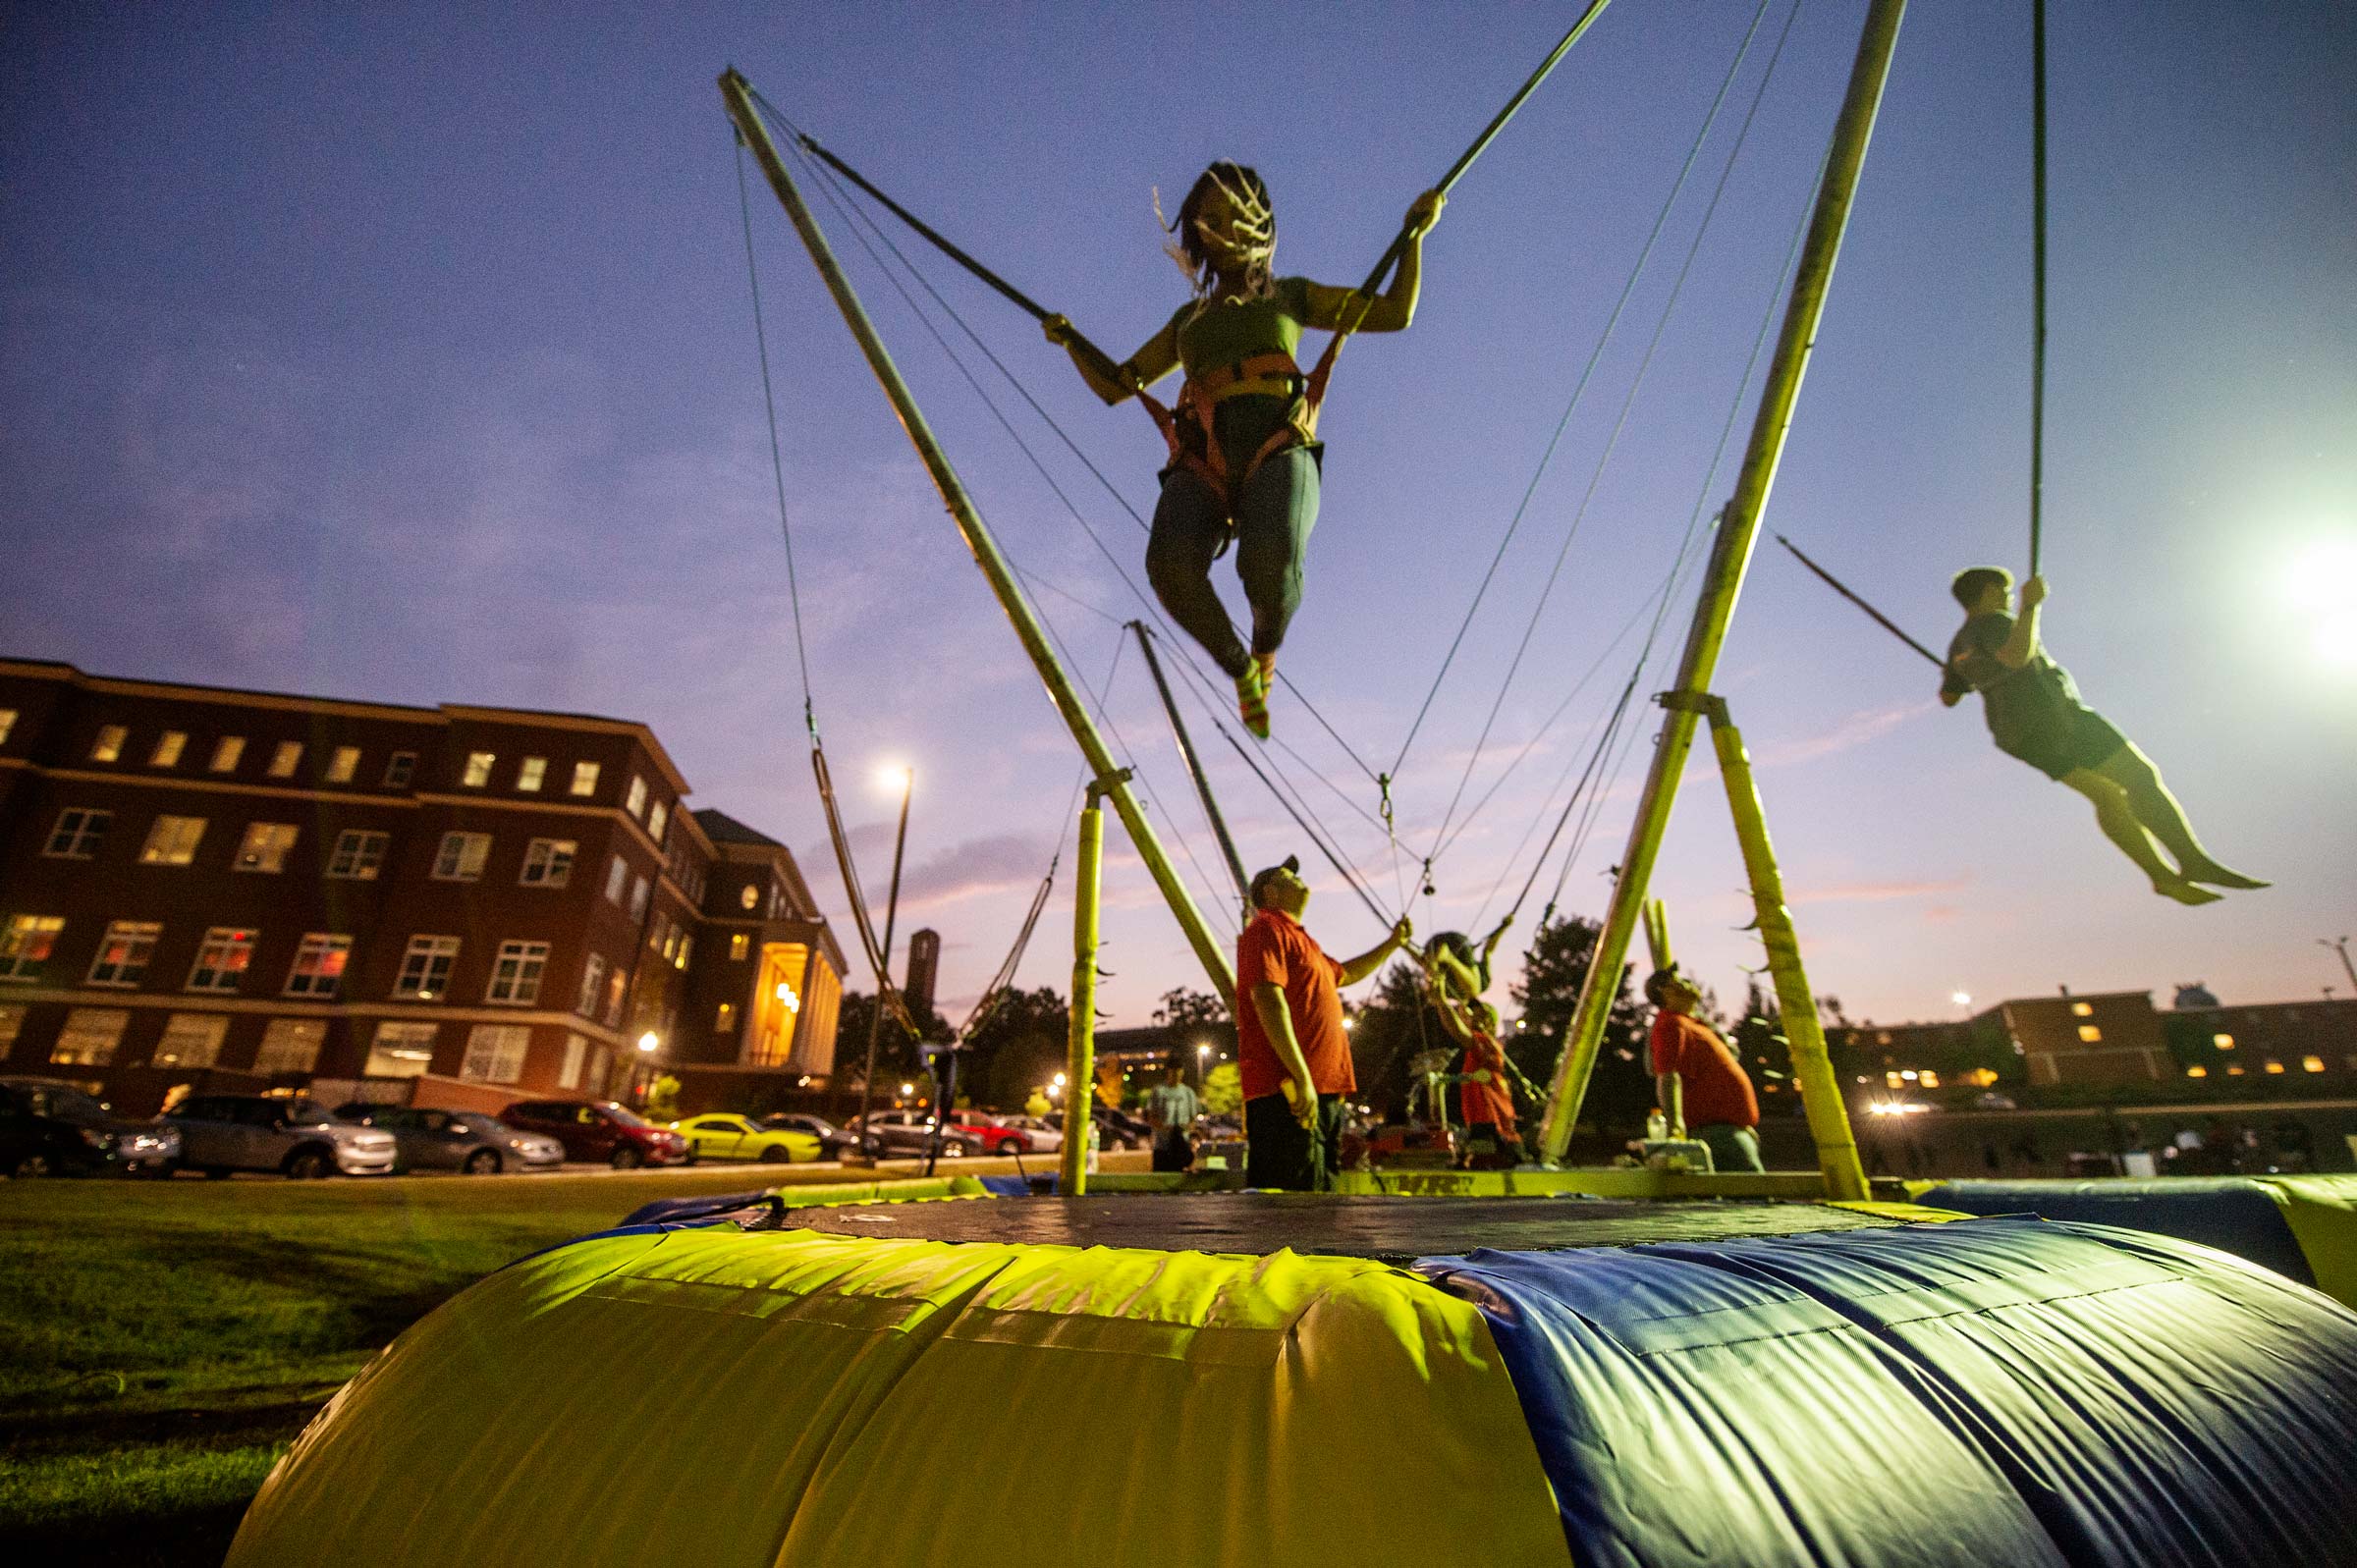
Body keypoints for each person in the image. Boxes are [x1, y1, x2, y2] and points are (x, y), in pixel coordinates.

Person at [1044, 164, 1444, 738]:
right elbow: (1118, 384)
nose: (1219, 227)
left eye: (1231, 214)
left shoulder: (1293, 296)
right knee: (1169, 567)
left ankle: (1264, 651)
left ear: (1259, 222)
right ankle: (1240, 671)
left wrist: (1415, 238)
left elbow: (1394, 313)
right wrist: (1072, 343)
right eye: (1207, 219)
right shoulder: (1189, 322)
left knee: (1269, 567)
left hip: (1277, 444)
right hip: (1204, 457)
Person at [1940, 568, 2265, 905]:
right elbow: (2016, 657)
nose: (2009, 598)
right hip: (2054, 719)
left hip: (2016, 735)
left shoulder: (1957, 646)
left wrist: (1957, 673)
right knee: (2139, 776)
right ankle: (2194, 862)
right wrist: (2031, 606)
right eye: (2005, 592)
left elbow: (1949, 698)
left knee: (2108, 796)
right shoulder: (1996, 622)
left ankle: (2163, 878)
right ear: (1991, 592)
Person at [1235, 854, 1412, 1189]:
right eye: (1290, 875)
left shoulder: (1305, 942)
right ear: (1270, 892)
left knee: (1320, 1202)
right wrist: (1301, 1077)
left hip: (1320, 1092)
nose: (1300, 880)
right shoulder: (1265, 929)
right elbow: (1268, 999)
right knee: (1294, 1207)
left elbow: (1346, 974)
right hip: (1288, 1094)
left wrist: (1392, 944)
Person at [1644, 966, 1763, 1174]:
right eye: (1679, 980)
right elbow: (1668, 1076)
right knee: (1754, 1199)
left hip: (1730, 1131)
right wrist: (1675, 1128)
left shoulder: (1691, 1023)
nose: (1688, 983)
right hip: (1717, 1134)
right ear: (1666, 991)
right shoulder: (1671, 1024)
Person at [1427, 985, 1528, 1167]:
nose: (1469, 1016)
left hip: (1490, 1123)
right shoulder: (1491, 1047)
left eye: (1477, 1014)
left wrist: (1441, 1001)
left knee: (1481, 1164)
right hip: (1496, 1125)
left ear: (1488, 1021)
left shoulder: (1483, 1042)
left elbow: (1457, 1030)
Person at [1422, 915, 1514, 1002]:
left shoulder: (1449, 994)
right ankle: (1448, 957)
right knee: (1473, 990)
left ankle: (1442, 957)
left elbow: (1487, 952)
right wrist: (1503, 927)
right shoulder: (1482, 985)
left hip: (1433, 948)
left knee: (1434, 984)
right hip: (1458, 945)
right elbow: (1487, 951)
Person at [1143, 1059, 1200, 1173]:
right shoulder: (1158, 1091)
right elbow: (1151, 1117)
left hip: (1181, 1146)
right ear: (1168, 1072)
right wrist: (1166, 1128)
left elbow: (1193, 1119)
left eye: (1178, 1072)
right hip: (1162, 1146)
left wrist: (1184, 1128)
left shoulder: (1188, 1093)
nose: (1176, 1075)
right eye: (1173, 1072)